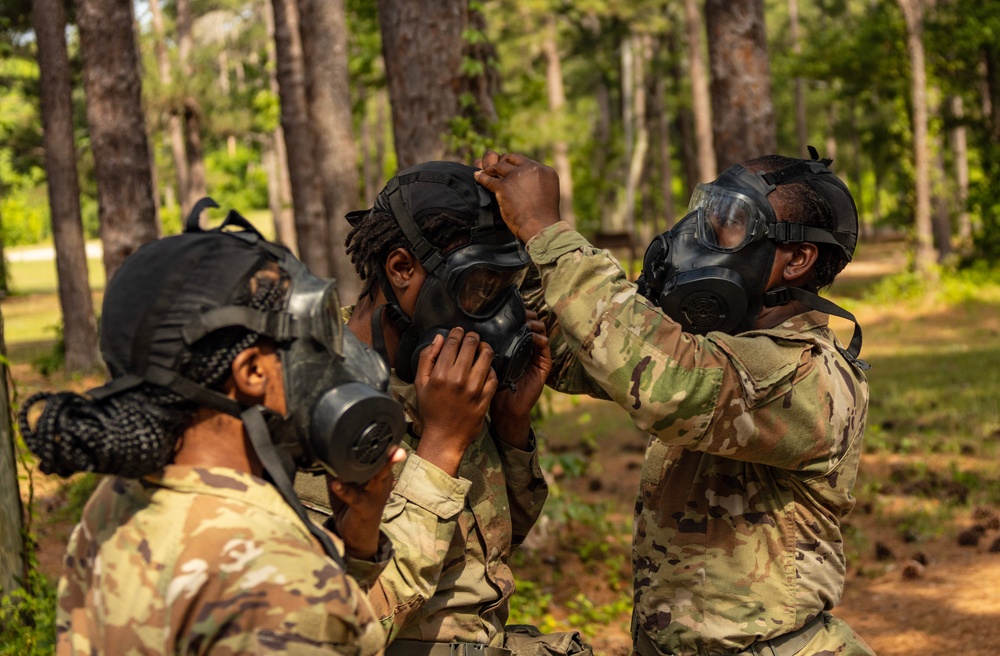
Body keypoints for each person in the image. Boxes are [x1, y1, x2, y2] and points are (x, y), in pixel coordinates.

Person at [475, 150, 875, 656]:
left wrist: (546, 232)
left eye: (729, 223)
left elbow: (665, 386)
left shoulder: (807, 374)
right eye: (706, 214)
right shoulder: (716, 344)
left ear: (796, 259)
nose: (698, 235)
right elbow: (580, 351)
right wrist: (511, 243)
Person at [19, 204, 408, 655]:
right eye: (312, 336)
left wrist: (354, 548)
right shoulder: (281, 576)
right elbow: (289, 611)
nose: (334, 355)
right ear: (252, 372)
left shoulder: (117, 502)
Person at [294, 161, 592, 656]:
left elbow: (491, 548)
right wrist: (440, 448)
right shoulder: (315, 401)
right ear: (402, 269)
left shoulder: (440, 376)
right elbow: (343, 627)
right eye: (480, 287)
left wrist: (510, 426)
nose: (501, 312)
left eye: (507, 287)